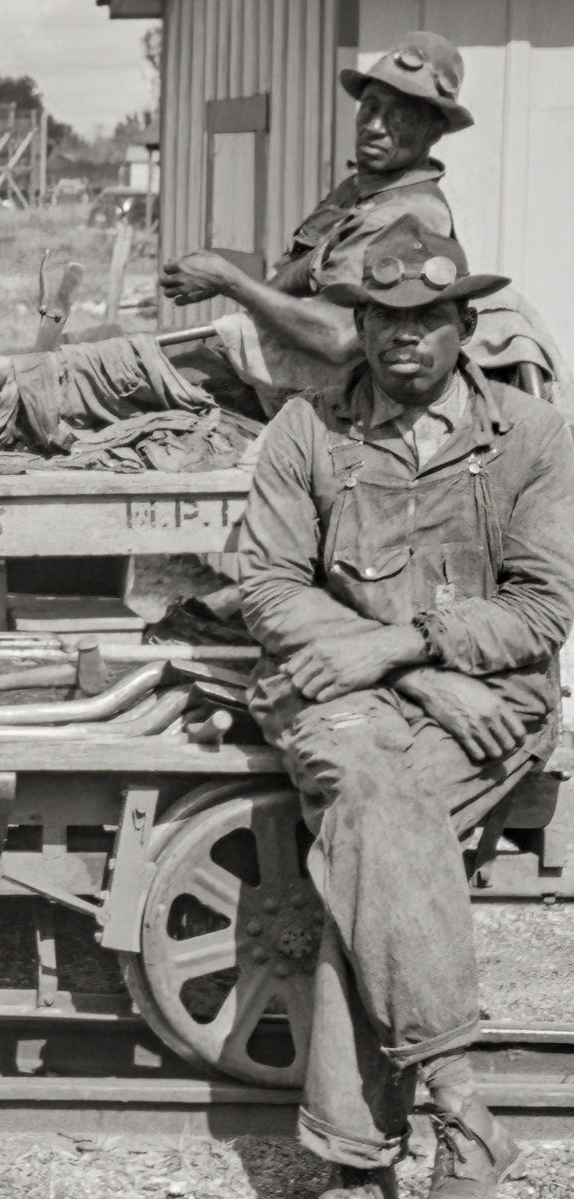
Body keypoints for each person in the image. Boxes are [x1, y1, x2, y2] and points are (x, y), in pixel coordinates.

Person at [236, 214, 574, 1198]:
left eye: (429, 316)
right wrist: (416, 670)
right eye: (385, 316)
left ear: (465, 322)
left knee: (365, 840)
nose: (405, 336)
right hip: (343, 699)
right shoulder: (307, 432)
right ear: (360, 324)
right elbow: (270, 591)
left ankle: (350, 1161)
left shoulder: (535, 438)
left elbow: (544, 608)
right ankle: (456, 1101)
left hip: (492, 704)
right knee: (378, 812)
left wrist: (420, 645)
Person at [160, 31, 468, 371]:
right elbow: (301, 273)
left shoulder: (412, 215)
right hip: (270, 357)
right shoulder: (359, 189)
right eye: (370, 107)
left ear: (433, 131)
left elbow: (338, 336)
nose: (375, 126)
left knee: (119, 382)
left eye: (400, 116)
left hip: (326, 395)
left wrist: (228, 280)